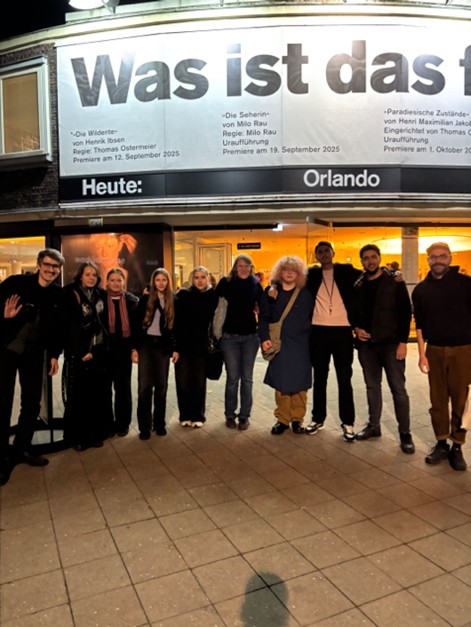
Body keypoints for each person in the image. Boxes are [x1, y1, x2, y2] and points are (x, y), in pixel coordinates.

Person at [0, 248, 65, 486]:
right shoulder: (15, 283)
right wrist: (4, 317)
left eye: (55, 267)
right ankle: (2, 458)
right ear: (38, 265)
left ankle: (21, 450)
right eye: (47, 265)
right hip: (6, 351)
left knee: (31, 403)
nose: (51, 270)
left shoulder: (57, 295)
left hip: (34, 355)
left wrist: (55, 355)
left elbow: (57, 330)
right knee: (3, 403)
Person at [412, 242, 471, 471]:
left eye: (442, 256)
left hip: (463, 349)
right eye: (433, 257)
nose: (438, 260)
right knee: (437, 401)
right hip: (434, 350)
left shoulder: (466, 284)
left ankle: (457, 445)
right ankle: (441, 442)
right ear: (427, 259)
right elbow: (419, 325)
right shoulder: (421, 290)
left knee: (460, 400)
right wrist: (422, 354)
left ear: (450, 258)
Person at [353, 244, 415, 454]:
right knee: (372, 387)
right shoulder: (359, 285)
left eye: (373, 257)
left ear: (379, 258)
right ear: (362, 261)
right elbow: (354, 312)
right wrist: (356, 329)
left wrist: (403, 342)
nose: (370, 261)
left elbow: (405, 312)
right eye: (365, 258)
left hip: (391, 344)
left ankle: (405, 433)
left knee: (398, 389)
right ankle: (374, 426)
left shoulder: (394, 282)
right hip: (367, 346)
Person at [305, 241, 361, 442]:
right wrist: (274, 286)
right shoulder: (311, 275)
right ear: (316, 256)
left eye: (326, 251)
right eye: (319, 252)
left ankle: (348, 422)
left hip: (342, 332)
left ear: (333, 253)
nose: (323, 254)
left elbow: (370, 274)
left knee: (344, 378)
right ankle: (317, 418)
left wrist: (393, 273)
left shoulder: (347, 271)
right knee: (319, 378)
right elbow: (287, 276)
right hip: (318, 331)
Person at [258, 256, 314, 435]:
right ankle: (282, 418)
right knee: (281, 382)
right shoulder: (271, 293)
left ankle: (297, 418)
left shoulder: (306, 294)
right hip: (280, 343)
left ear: (299, 273)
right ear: (279, 272)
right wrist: (264, 337)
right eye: (286, 269)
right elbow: (263, 317)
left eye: (293, 270)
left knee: (300, 382)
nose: (289, 273)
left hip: (301, 344)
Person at [62, 261, 112, 451]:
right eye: (87, 274)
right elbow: (67, 326)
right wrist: (80, 352)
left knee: (95, 396)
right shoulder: (70, 293)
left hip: (97, 352)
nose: (91, 278)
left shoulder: (100, 294)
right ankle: (77, 437)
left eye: (94, 275)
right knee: (78, 397)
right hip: (79, 354)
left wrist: (96, 351)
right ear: (80, 276)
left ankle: (94, 434)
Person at [216, 254, 263, 430]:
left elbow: (264, 306)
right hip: (229, 337)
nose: (243, 269)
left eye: (246, 265)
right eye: (240, 265)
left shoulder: (255, 284)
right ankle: (230, 414)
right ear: (235, 267)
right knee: (233, 378)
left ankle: (244, 416)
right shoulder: (226, 283)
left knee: (247, 379)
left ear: (251, 267)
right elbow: (213, 304)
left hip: (250, 337)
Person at [132, 267, 179, 439]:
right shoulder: (145, 299)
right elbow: (136, 325)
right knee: (144, 386)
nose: (161, 283)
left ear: (168, 282)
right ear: (153, 281)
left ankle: (159, 424)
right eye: (158, 280)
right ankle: (145, 426)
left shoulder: (173, 300)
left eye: (164, 280)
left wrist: (175, 348)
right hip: (146, 345)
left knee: (161, 386)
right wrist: (134, 348)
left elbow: (177, 328)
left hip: (163, 347)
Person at [174, 266, 218, 427]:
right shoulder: (183, 295)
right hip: (184, 344)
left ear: (208, 278)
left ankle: (198, 416)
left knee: (199, 381)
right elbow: (177, 322)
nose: (200, 280)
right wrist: (175, 346)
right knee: (183, 380)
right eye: (196, 277)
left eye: (202, 277)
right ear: (192, 279)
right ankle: (185, 415)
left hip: (201, 345)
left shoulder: (213, 296)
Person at [104, 268, 139, 437]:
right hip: (104, 352)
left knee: (123, 389)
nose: (116, 283)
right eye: (112, 280)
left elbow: (136, 328)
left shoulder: (132, 301)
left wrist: (134, 349)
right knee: (104, 389)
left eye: (119, 280)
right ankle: (107, 424)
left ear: (123, 282)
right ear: (107, 282)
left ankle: (122, 424)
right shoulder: (100, 300)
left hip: (124, 352)